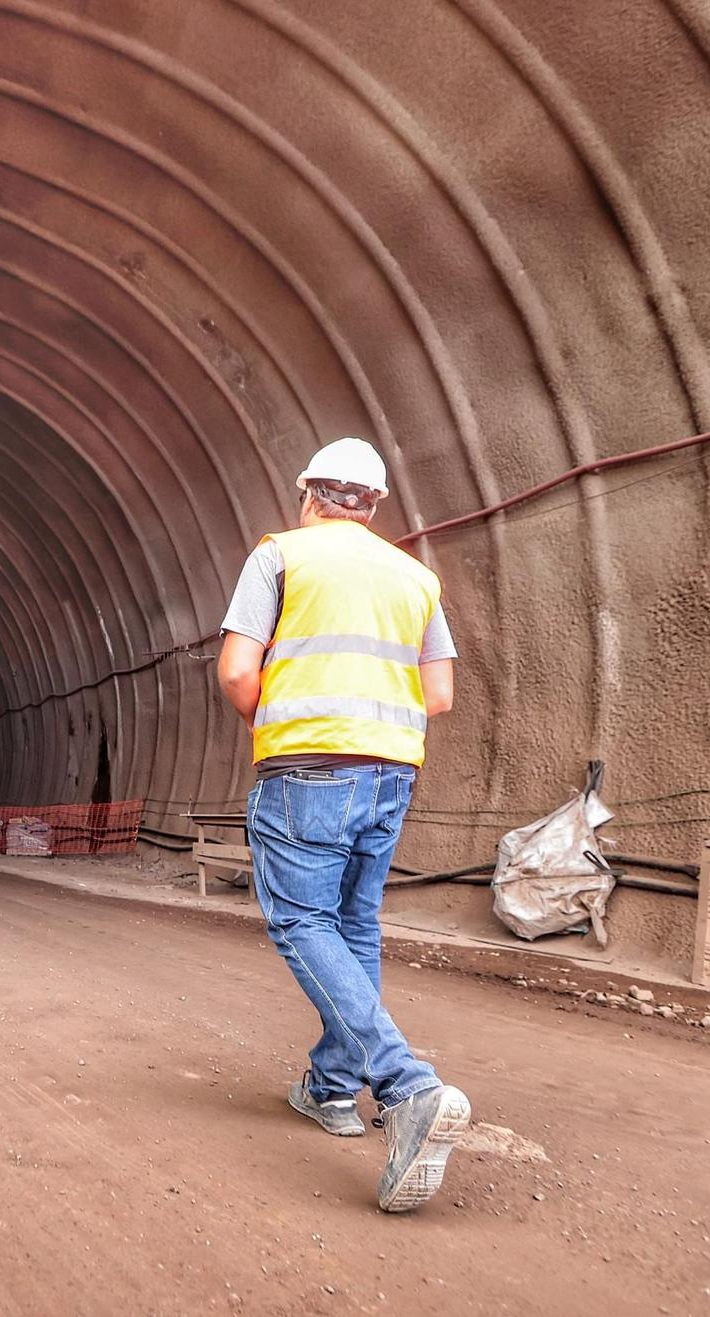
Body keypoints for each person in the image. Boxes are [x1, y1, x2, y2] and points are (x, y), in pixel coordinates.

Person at [215, 437, 470, 1214]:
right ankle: (330, 1089)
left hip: (307, 768)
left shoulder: (281, 555)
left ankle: (406, 1086)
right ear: (375, 505)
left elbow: (235, 669)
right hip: (391, 770)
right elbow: (441, 693)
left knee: (300, 921)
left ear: (308, 495)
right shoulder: (415, 576)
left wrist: (289, 712)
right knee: (355, 926)